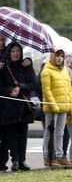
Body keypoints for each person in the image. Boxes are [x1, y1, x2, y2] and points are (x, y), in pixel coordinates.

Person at [0, 42, 37, 171]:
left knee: (23, 134)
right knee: (10, 135)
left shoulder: (26, 66)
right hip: (8, 107)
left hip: (23, 106)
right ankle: (14, 160)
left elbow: (33, 84)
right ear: (9, 53)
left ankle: (22, 160)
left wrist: (21, 86)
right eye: (13, 51)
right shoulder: (4, 67)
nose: (15, 53)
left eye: (18, 51)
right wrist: (10, 90)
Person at [41, 48, 72, 166]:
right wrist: (54, 106)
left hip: (63, 108)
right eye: (57, 55)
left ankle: (59, 156)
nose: (59, 58)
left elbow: (69, 91)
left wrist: (71, 107)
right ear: (52, 57)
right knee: (49, 132)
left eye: (61, 56)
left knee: (60, 132)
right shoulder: (46, 71)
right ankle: (47, 157)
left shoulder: (65, 71)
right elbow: (46, 91)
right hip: (52, 109)